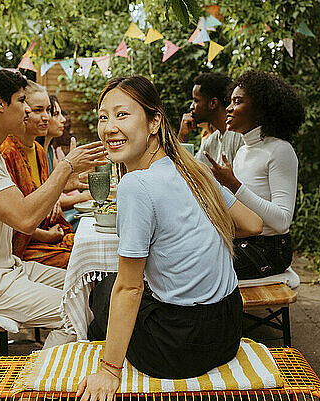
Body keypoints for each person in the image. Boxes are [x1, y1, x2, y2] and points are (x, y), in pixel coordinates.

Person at [77, 76, 263, 400]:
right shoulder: (194, 169)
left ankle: (96, 360)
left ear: (154, 122)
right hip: (229, 327)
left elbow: (130, 287)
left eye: (122, 115)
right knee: (115, 288)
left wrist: (109, 371)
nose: (108, 127)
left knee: (105, 294)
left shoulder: (136, 186)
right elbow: (253, 224)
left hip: (178, 348)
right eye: (103, 116)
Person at [0, 68, 106, 348]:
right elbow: (26, 219)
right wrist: (66, 168)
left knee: (86, 286)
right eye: (21, 101)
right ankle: (39, 383)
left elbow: (26, 207)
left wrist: (67, 176)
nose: (27, 110)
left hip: (5, 269)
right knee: (75, 313)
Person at [206, 70, 304, 280]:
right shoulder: (242, 151)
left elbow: (282, 221)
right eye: (230, 101)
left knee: (196, 265)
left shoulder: (280, 150)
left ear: (261, 109)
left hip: (270, 250)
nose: (229, 108)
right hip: (241, 241)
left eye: (237, 101)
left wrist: (234, 185)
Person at [0, 82, 74, 269]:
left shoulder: (40, 150)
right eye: (38, 110)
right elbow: (12, 218)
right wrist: (47, 236)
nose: (46, 117)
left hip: (47, 232)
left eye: (48, 110)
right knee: (79, 261)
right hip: (22, 246)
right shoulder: (6, 151)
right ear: (23, 111)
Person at [45, 96, 93, 228]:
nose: (63, 120)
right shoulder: (39, 150)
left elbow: (60, 186)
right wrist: (87, 196)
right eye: (56, 114)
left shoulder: (49, 149)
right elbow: (49, 198)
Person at [178, 73, 244, 167]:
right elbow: (190, 172)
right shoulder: (212, 141)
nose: (191, 107)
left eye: (196, 101)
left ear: (213, 103)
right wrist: (182, 136)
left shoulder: (238, 136)